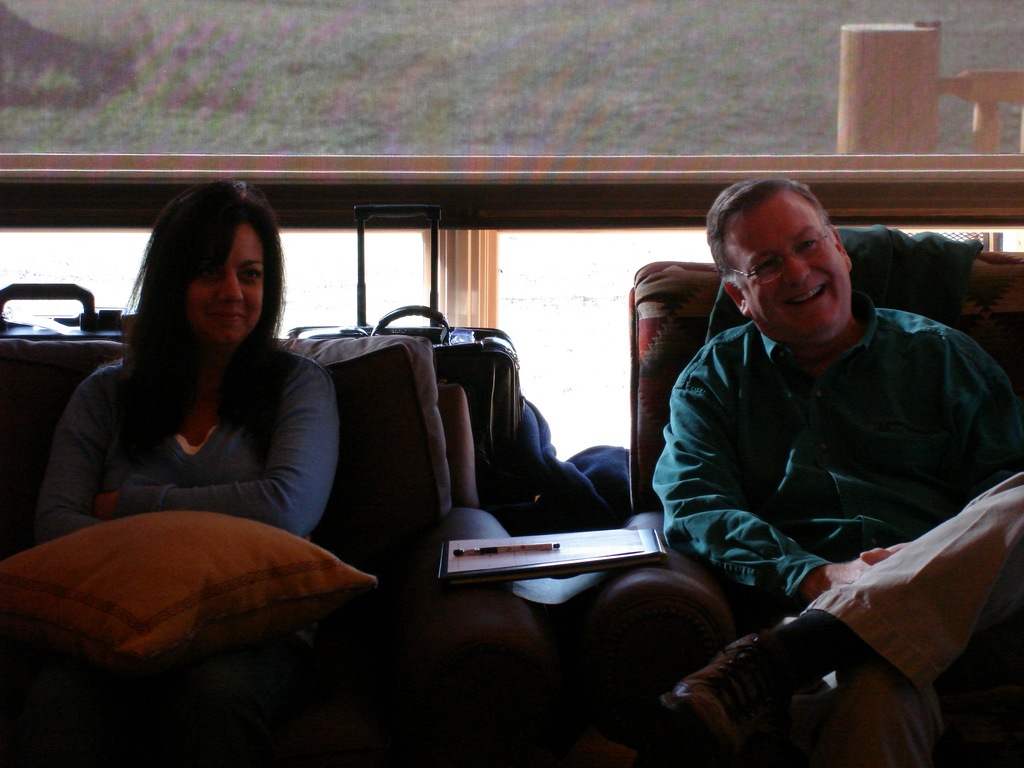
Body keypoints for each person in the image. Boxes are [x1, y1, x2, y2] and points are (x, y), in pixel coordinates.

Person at [648, 177, 1024, 767]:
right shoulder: (714, 381)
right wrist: (817, 576)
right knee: (871, 692)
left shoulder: (941, 355)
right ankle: (818, 642)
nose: (798, 272)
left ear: (842, 251)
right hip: (817, 618)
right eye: (767, 263)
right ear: (739, 295)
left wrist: (922, 562)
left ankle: (777, 661)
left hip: (967, 622)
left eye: (808, 244)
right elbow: (695, 505)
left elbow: (1003, 494)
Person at [15, 181, 340, 768]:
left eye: (251, 274)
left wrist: (127, 505)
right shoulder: (105, 395)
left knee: (214, 701)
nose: (233, 293)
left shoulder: (299, 386)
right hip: (112, 624)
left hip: (250, 628)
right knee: (58, 704)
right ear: (171, 282)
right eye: (210, 272)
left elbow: (286, 508)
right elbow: (55, 526)